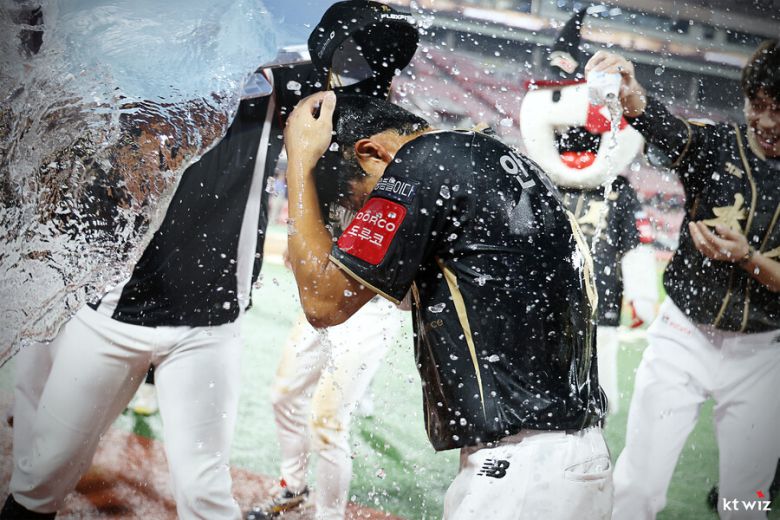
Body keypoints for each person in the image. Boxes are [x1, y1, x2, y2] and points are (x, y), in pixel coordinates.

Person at [281, 90, 611, 519]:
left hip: (524, 470)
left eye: (357, 200)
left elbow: (323, 303)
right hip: (557, 454)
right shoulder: (484, 155)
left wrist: (299, 162)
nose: (362, 214)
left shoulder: (420, 162)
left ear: (372, 153)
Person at [2, 81, 285, 520]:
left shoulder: (275, 78)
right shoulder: (140, 69)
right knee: (41, 476)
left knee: (206, 494)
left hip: (208, 326)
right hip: (109, 316)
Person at [584, 40, 780, 520]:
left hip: (764, 351)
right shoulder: (718, 145)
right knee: (637, 485)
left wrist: (748, 258)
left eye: (779, 109)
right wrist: (630, 92)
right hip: (682, 335)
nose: (766, 121)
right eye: (757, 104)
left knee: (746, 500)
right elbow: (665, 127)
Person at [519, 9, 658, 414]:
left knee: (597, 382)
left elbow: (634, 245)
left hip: (601, 301)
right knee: (535, 374)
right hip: (539, 295)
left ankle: (590, 425)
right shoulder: (535, 184)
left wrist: (642, 294)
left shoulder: (619, 191)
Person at [247, 294, 405, 519]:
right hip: (323, 295)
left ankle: (329, 515)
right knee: (284, 397)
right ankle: (294, 488)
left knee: (327, 423)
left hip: (372, 308)